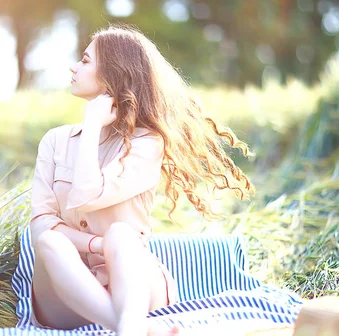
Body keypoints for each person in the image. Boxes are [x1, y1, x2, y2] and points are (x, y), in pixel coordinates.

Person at [28, 24, 256, 336]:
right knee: (48, 241)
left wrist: (93, 124)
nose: (73, 67)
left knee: (122, 235)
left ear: (113, 74)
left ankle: (131, 325)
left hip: (132, 283)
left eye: (84, 60)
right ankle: (135, 330)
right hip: (68, 290)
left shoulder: (147, 143)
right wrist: (95, 244)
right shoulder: (55, 141)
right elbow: (41, 223)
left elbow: (85, 195)